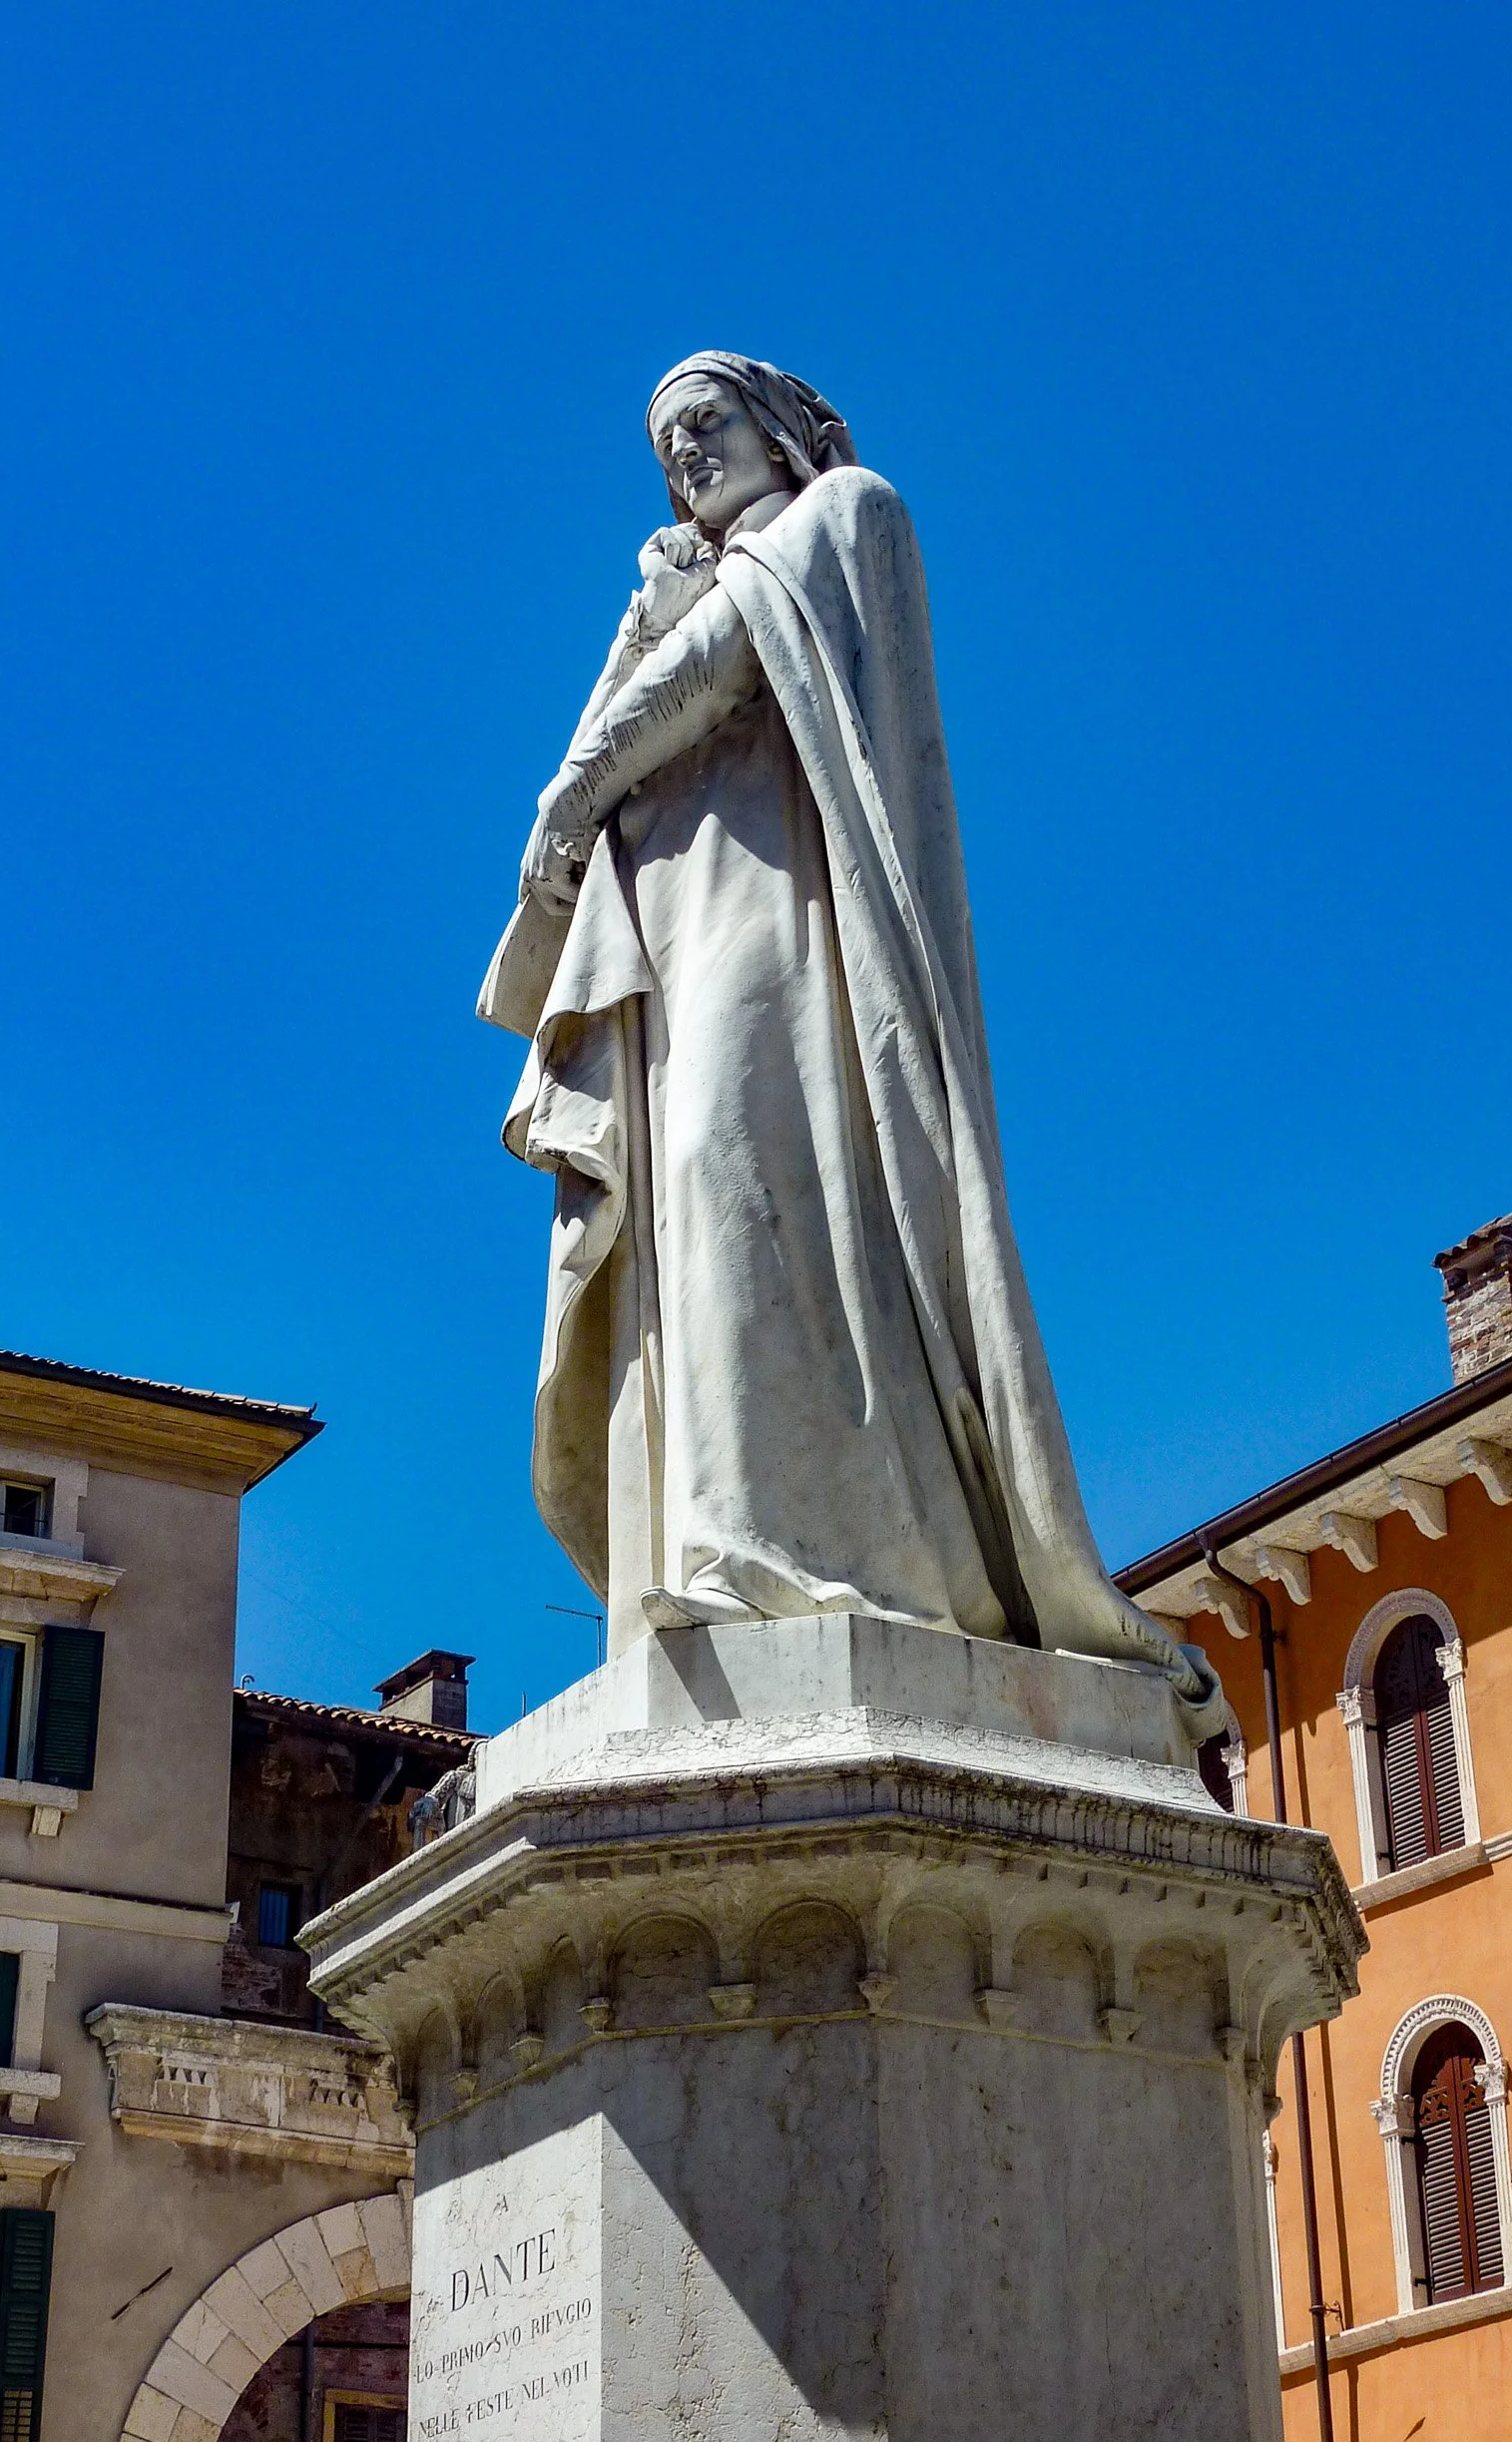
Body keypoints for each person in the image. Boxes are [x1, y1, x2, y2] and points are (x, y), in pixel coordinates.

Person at [481, 350, 1215, 1712]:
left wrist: (576, 783)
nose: (685, 458)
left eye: (704, 424)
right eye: (665, 448)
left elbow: (727, 662)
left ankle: (812, 1550)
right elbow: (662, 677)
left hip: (799, 931)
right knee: (689, 1226)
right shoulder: (681, 590)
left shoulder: (846, 515)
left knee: (743, 1170)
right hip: (685, 947)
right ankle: (726, 1538)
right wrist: (641, 621)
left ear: (779, 429)